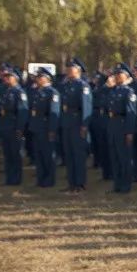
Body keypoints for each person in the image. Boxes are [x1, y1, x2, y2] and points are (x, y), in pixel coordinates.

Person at [59, 58, 92, 193]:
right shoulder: (66, 85)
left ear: (78, 70)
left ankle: (80, 183)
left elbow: (86, 107)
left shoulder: (82, 86)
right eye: (67, 68)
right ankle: (71, 182)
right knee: (69, 154)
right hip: (67, 122)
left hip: (77, 122)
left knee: (78, 154)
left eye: (71, 68)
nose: (68, 70)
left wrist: (84, 125)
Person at [106, 65, 137, 193]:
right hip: (113, 125)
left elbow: (131, 113)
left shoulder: (128, 92)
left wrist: (129, 132)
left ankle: (126, 185)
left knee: (124, 157)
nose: (118, 76)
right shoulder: (113, 90)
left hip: (123, 125)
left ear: (126, 76)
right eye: (116, 74)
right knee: (114, 157)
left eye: (121, 74)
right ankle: (117, 184)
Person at [28, 67, 60, 188]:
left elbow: (53, 113)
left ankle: (49, 179)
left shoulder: (52, 93)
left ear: (46, 78)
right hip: (37, 127)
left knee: (48, 155)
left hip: (46, 127)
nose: (37, 79)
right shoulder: (38, 92)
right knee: (39, 154)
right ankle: (40, 178)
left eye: (39, 77)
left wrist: (52, 130)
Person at [0, 67, 29, 186]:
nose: (6, 79)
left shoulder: (19, 92)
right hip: (6, 125)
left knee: (15, 154)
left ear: (15, 78)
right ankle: (9, 177)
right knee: (8, 154)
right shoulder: (7, 91)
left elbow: (22, 112)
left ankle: (16, 178)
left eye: (8, 77)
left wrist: (20, 128)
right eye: (5, 77)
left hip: (14, 126)